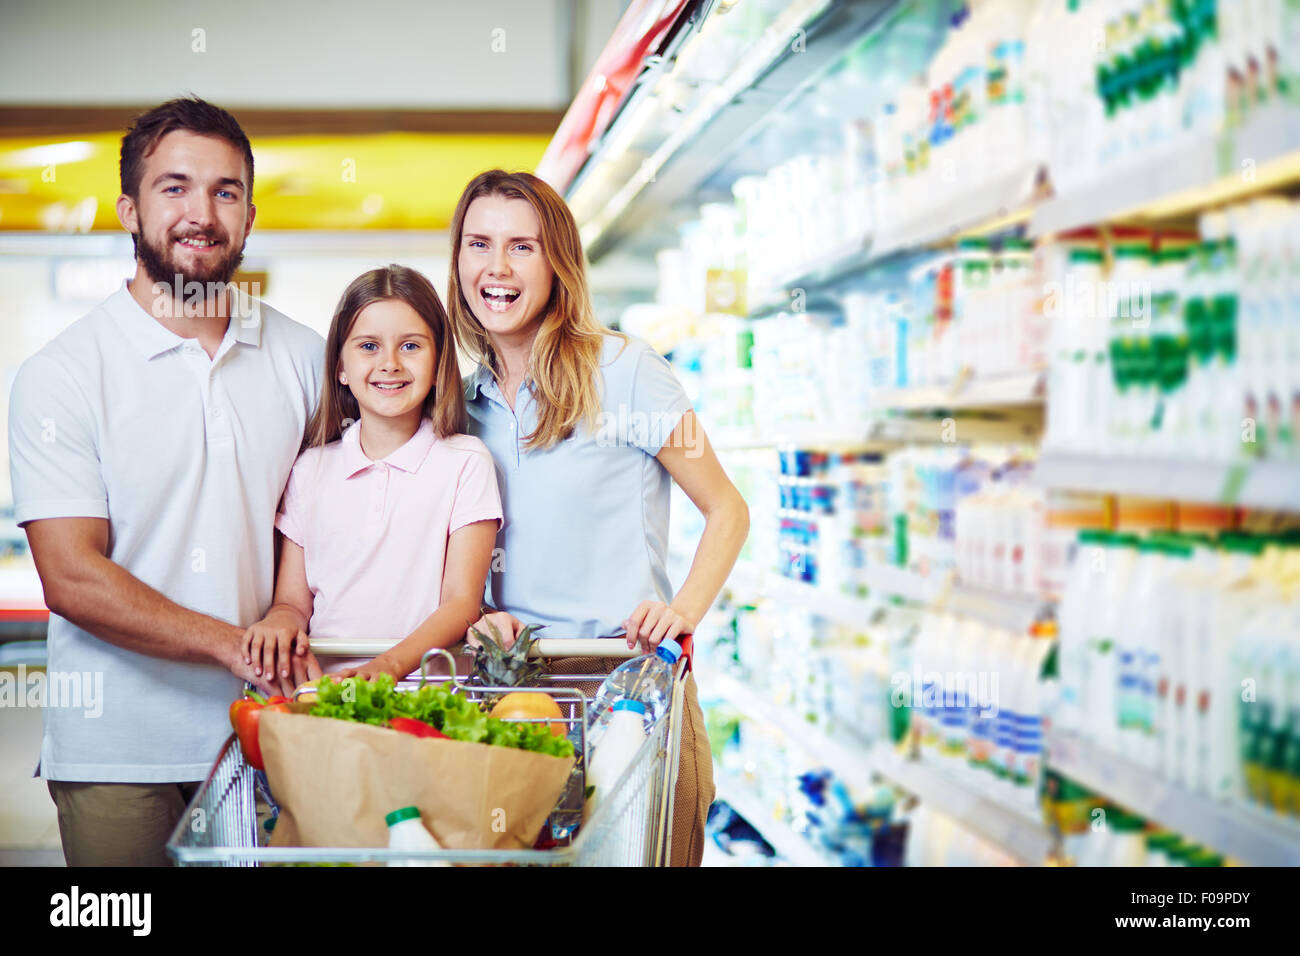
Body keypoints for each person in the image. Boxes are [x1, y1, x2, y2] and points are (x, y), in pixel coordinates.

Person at [7, 97, 325, 866]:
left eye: (225, 191)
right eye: (174, 187)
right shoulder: (64, 375)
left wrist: (286, 608)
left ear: (249, 215)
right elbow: (72, 576)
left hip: (275, 733)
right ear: (129, 208)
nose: (201, 213)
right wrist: (231, 645)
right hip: (119, 753)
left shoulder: (305, 358)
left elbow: (323, 517)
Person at [452, 169, 750, 867]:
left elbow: (727, 509)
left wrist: (682, 614)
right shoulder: (462, 401)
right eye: (478, 244)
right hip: (515, 696)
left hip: (631, 691)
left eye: (522, 247)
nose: (496, 268)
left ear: (558, 263)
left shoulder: (628, 370)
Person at [240, 265, 501, 682]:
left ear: (438, 364)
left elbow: (461, 602)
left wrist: (387, 667)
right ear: (340, 367)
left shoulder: (466, 462)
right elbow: (293, 600)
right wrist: (279, 621)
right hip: (326, 697)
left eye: (411, 346)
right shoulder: (310, 468)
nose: (390, 364)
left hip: (427, 700)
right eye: (368, 346)